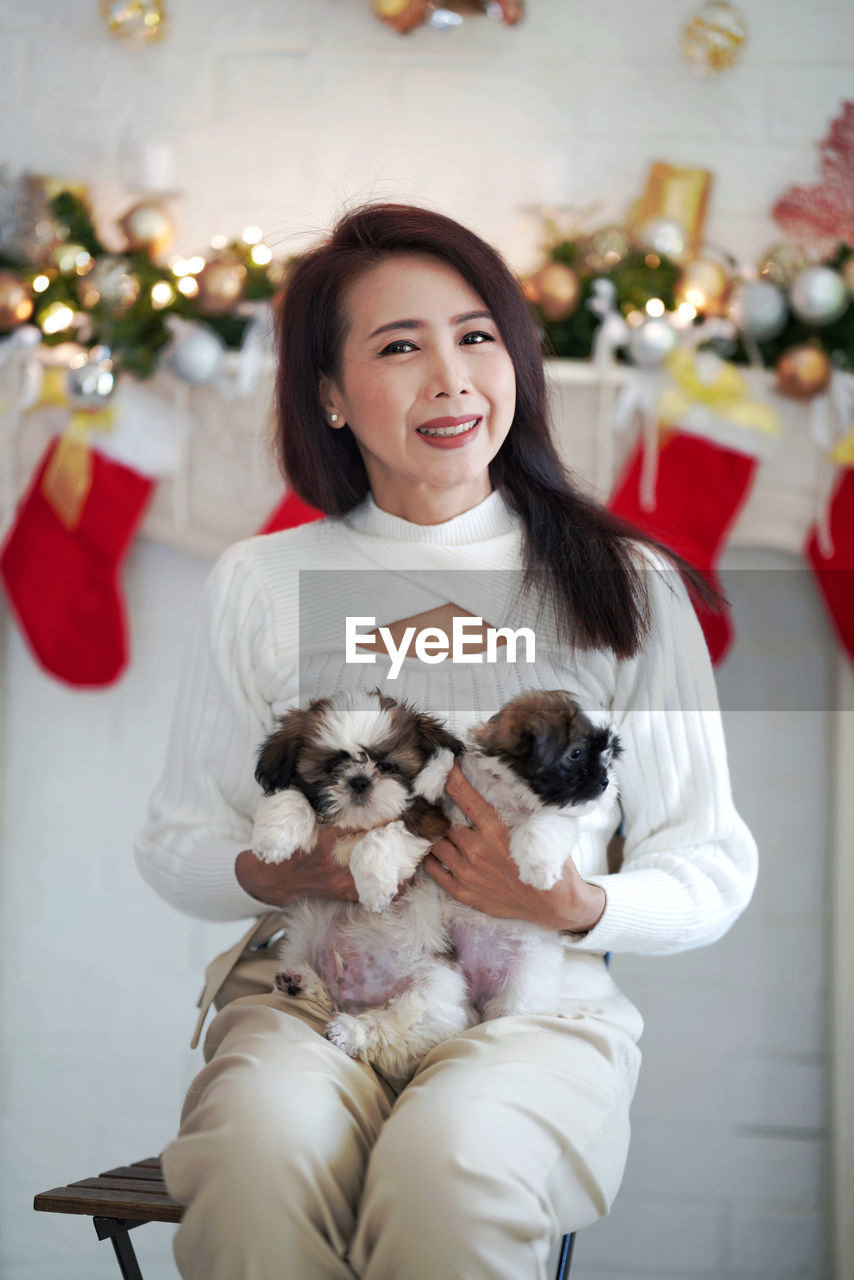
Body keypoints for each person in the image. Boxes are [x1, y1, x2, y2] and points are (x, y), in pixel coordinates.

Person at [134, 202, 758, 1280]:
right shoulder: (261, 582)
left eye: (476, 336)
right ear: (327, 394)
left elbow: (712, 860)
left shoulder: (624, 587)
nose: (450, 377)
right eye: (397, 346)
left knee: (449, 1166)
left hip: (530, 1007)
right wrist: (281, 867)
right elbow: (173, 839)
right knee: (254, 1155)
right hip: (309, 996)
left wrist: (576, 905)